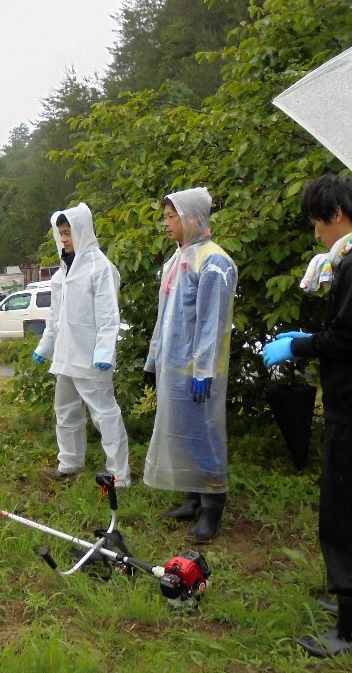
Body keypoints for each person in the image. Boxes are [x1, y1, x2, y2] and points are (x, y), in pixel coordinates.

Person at [262, 173, 352, 658]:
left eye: (318, 223)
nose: (317, 234)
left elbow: (348, 339)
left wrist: (299, 344)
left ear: (337, 215)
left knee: (348, 520)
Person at [143, 187, 237, 543]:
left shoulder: (214, 262)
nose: (166, 223)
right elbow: (164, 318)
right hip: (173, 367)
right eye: (165, 216)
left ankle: (212, 507)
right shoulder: (176, 260)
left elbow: (212, 322)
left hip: (199, 372)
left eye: (172, 216)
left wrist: (204, 371)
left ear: (193, 219)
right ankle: (192, 497)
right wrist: (153, 360)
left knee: (206, 437)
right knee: (181, 435)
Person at [32, 204, 131, 487]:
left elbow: (109, 316)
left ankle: (119, 474)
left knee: (104, 414)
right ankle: (70, 461)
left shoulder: (100, 269)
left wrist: (104, 351)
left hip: (90, 356)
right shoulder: (61, 274)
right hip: (65, 355)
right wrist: (45, 346)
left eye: (68, 232)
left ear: (83, 232)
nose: (64, 238)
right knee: (65, 410)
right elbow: (56, 318)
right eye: (60, 233)